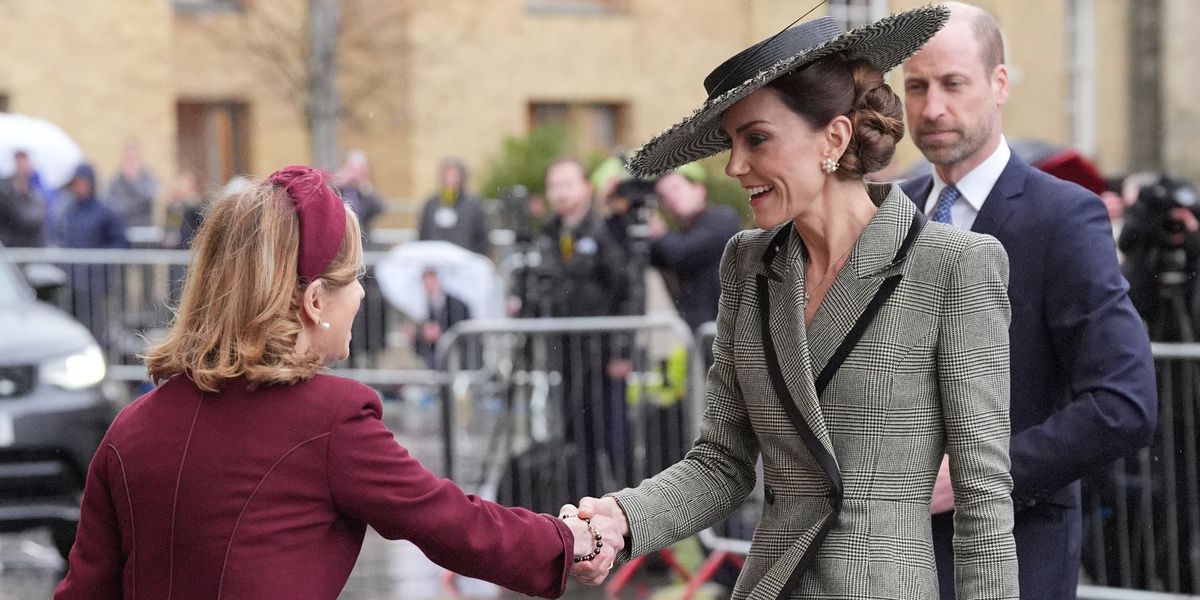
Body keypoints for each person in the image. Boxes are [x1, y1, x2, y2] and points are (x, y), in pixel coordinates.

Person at [570, 6, 1020, 599]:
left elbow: (982, 499)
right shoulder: (748, 263)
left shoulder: (954, 265)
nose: (734, 166)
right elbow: (721, 464)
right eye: (731, 142)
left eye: (756, 139)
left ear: (833, 138)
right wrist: (625, 519)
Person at [53, 166, 621, 599]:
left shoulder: (131, 426)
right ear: (314, 300)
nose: (363, 294)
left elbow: (84, 588)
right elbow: (455, 523)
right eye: (355, 278)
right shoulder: (328, 418)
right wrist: (570, 540)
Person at [899, 4, 1158, 599]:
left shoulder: (1062, 217)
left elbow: (1124, 402)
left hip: (1014, 555)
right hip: (887, 558)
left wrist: (977, 478)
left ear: (999, 83)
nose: (932, 107)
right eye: (917, 86)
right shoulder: (889, 214)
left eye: (952, 83)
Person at [648, 163, 742, 331]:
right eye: (662, 196)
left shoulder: (722, 219)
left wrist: (658, 230)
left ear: (699, 190)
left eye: (675, 188)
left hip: (727, 335)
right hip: (700, 337)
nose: (670, 197)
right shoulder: (677, 237)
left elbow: (680, 252)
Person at [418, 157, 490, 256]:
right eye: (447, 176)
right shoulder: (432, 204)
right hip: (436, 262)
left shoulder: (474, 205)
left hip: (465, 261)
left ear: (462, 177)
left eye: (454, 175)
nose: (450, 180)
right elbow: (423, 235)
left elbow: (482, 238)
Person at [412, 267, 472, 368]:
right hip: (439, 360)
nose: (427, 286)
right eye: (424, 282)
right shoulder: (427, 306)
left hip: (458, 359)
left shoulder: (456, 304)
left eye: (429, 281)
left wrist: (441, 333)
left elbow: (462, 329)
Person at [106, 140, 159, 228]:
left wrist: (132, 183)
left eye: (134, 158)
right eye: (127, 158)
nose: (130, 162)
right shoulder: (115, 181)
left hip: (144, 231)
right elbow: (110, 205)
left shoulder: (148, 178)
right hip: (121, 229)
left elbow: (150, 197)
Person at [0, 150, 46, 247]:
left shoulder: (36, 194)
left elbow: (31, 220)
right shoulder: (4, 194)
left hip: (29, 250)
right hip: (9, 249)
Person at [331, 149, 383, 234]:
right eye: (352, 168)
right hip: (341, 234)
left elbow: (380, 209)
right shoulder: (339, 187)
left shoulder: (365, 189)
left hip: (363, 236)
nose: (355, 173)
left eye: (359, 169)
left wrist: (368, 192)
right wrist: (337, 183)